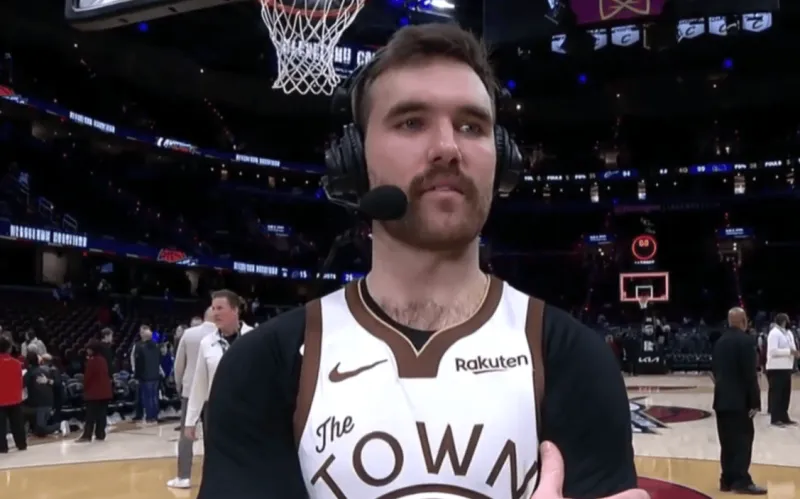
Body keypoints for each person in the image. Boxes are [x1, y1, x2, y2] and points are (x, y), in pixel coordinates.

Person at [198, 24, 642, 499]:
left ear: (503, 162)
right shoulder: (264, 367)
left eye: (471, 126)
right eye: (411, 122)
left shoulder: (573, 360)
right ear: (353, 161)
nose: (448, 148)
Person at [184, 291, 253, 445]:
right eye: (213, 308)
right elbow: (199, 384)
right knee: (217, 456)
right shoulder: (206, 343)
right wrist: (191, 420)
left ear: (235, 310)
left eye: (220, 308)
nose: (215, 313)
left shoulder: (254, 337)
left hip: (248, 411)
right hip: (217, 412)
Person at [711, 307, 766, 495]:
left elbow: (714, 370)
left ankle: (726, 480)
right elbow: (750, 374)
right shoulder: (746, 341)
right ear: (744, 321)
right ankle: (741, 481)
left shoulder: (719, 342)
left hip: (721, 400)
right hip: (739, 401)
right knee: (743, 442)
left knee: (727, 443)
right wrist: (755, 401)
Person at [167, 307, 217, 489]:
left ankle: (183, 477)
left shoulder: (189, 334)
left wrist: (180, 385)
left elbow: (178, 364)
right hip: (214, 392)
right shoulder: (222, 335)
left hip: (190, 391)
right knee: (214, 436)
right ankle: (214, 477)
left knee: (186, 435)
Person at [23, 351, 67, 438]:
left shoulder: (31, 373)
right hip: (43, 403)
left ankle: (60, 425)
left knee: (40, 429)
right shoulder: (47, 371)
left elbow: (57, 384)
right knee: (37, 428)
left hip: (42, 404)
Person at [765, 313, 798, 426]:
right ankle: (775, 418)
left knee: (785, 394)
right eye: (787, 320)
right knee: (777, 394)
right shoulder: (774, 333)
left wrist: (795, 352)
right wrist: (789, 352)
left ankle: (784, 416)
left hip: (787, 367)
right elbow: (773, 351)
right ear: (783, 321)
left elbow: (792, 346)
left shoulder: (788, 333)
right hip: (776, 368)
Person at [78, 341, 113, 442]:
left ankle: (87, 435)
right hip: (105, 392)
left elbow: (88, 378)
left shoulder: (92, 361)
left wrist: (85, 388)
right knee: (102, 414)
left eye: (89, 349)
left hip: (94, 393)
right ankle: (100, 434)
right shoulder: (103, 360)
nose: (87, 351)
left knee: (90, 415)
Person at [0, 336, 26, 453]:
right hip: (15, 398)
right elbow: (20, 381)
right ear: (9, 349)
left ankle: (2, 447)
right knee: (18, 424)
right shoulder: (17, 363)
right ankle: (21, 444)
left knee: (1, 427)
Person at [133, 325, 162, 425]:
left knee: (148, 397)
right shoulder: (156, 345)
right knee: (154, 397)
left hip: (145, 376)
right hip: (155, 375)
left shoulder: (139, 346)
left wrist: (137, 376)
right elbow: (159, 359)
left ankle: (150, 417)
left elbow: (138, 363)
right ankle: (155, 416)